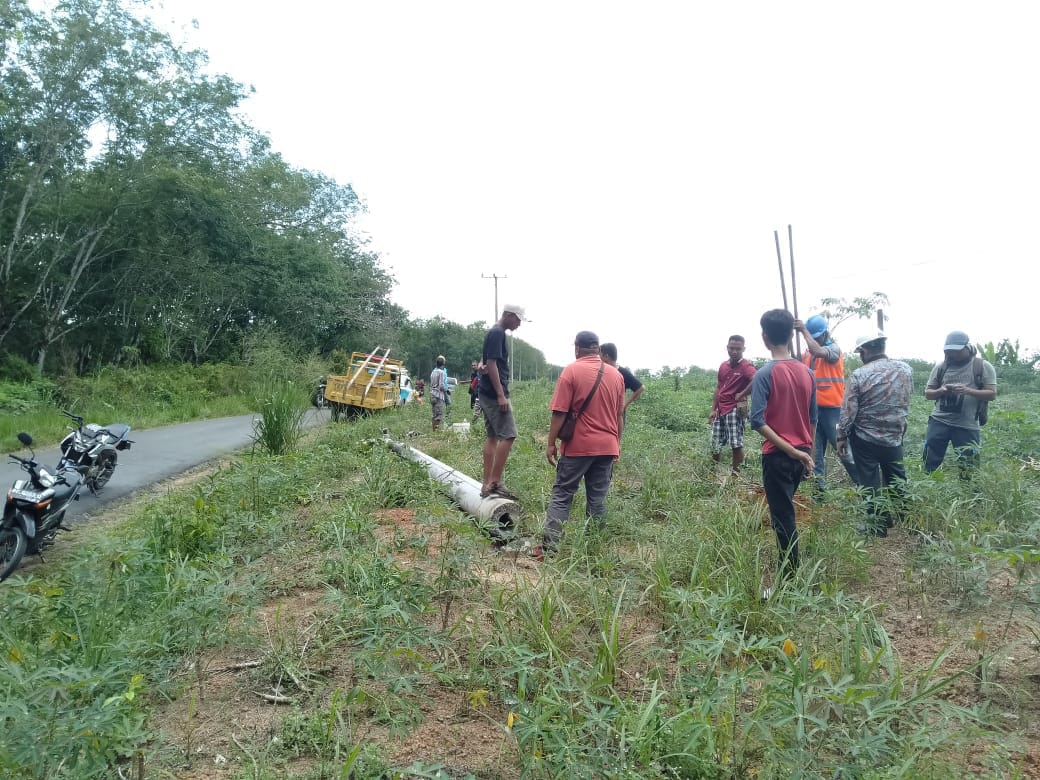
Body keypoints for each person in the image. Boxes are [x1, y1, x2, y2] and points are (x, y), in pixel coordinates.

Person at [750, 309, 817, 598]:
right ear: (791, 335)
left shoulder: (765, 374)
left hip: (778, 455)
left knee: (783, 518)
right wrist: (806, 453)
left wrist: (791, 450)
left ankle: (788, 584)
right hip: (801, 454)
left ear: (765, 337)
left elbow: (757, 421)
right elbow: (813, 418)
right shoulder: (808, 372)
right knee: (785, 513)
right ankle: (790, 576)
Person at [542, 331, 625, 556]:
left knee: (563, 493)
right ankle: (593, 550)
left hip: (579, 447)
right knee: (597, 499)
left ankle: (550, 548)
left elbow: (559, 412)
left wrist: (551, 443)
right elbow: (619, 415)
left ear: (577, 348)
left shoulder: (571, 370)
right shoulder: (616, 376)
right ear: (597, 349)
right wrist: (617, 444)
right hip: (607, 446)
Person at [837, 333, 913, 536]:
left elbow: (848, 411)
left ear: (864, 351)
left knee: (870, 481)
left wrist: (841, 436)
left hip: (865, 438)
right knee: (897, 477)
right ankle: (908, 520)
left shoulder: (859, 375)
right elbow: (907, 398)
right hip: (895, 436)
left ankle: (878, 525)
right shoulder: (905, 369)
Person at [923, 330, 997, 475]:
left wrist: (967, 390)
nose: (954, 354)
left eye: (958, 351)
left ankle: (970, 494)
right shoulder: (941, 367)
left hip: (967, 425)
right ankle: (929, 490)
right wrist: (942, 390)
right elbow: (928, 394)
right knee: (929, 461)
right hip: (939, 421)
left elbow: (992, 394)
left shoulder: (982, 366)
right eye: (950, 351)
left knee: (969, 465)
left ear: (968, 347)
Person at [795, 314, 853, 491]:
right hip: (813, 411)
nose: (813, 340)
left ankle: (865, 488)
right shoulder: (807, 353)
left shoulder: (833, 349)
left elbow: (818, 351)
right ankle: (820, 492)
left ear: (824, 333)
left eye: (815, 336)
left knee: (844, 452)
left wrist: (804, 330)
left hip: (833, 412)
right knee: (815, 454)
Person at [477, 304, 526, 498]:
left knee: (492, 436)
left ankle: (486, 484)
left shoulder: (495, 332)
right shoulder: (498, 333)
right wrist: (500, 394)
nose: (519, 324)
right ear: (508, 315)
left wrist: (482, 365)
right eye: (518, 319)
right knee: (509, 434)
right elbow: (492, 363)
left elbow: (486, 360)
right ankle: (495, 482)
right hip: (494, 393)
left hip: (485, 391)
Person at [709, 335, 756, 474]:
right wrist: (713, 409)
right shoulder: (723, 365)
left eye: (738, 349)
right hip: (720, 409)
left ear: (743, 349)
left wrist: (742, 394)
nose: (734, 351)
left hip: (735, 409)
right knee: (715, 442)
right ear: (727, 348)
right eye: (731, 348)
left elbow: (756, 379)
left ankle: (736, 476)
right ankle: (712, 472)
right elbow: (719, 387)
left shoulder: (746, 366)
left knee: (736, 443)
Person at [600, 343, 644, 418]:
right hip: (604, 411)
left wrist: (624, 405)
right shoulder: (601, 371)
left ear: (606, 356)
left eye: (599, 355)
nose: (598, 359)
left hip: (617, 414)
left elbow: (640, 388)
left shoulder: (623, 372)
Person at [429, 355, 447, 431]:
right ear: (443, 364)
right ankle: (436, 431)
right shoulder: (441, 372)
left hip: (432, 394)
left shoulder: (433, 372)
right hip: (438, 396)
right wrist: (447, 390)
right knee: (439, 415)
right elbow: (441, 386)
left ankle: (434, 430)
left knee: (434, 414)